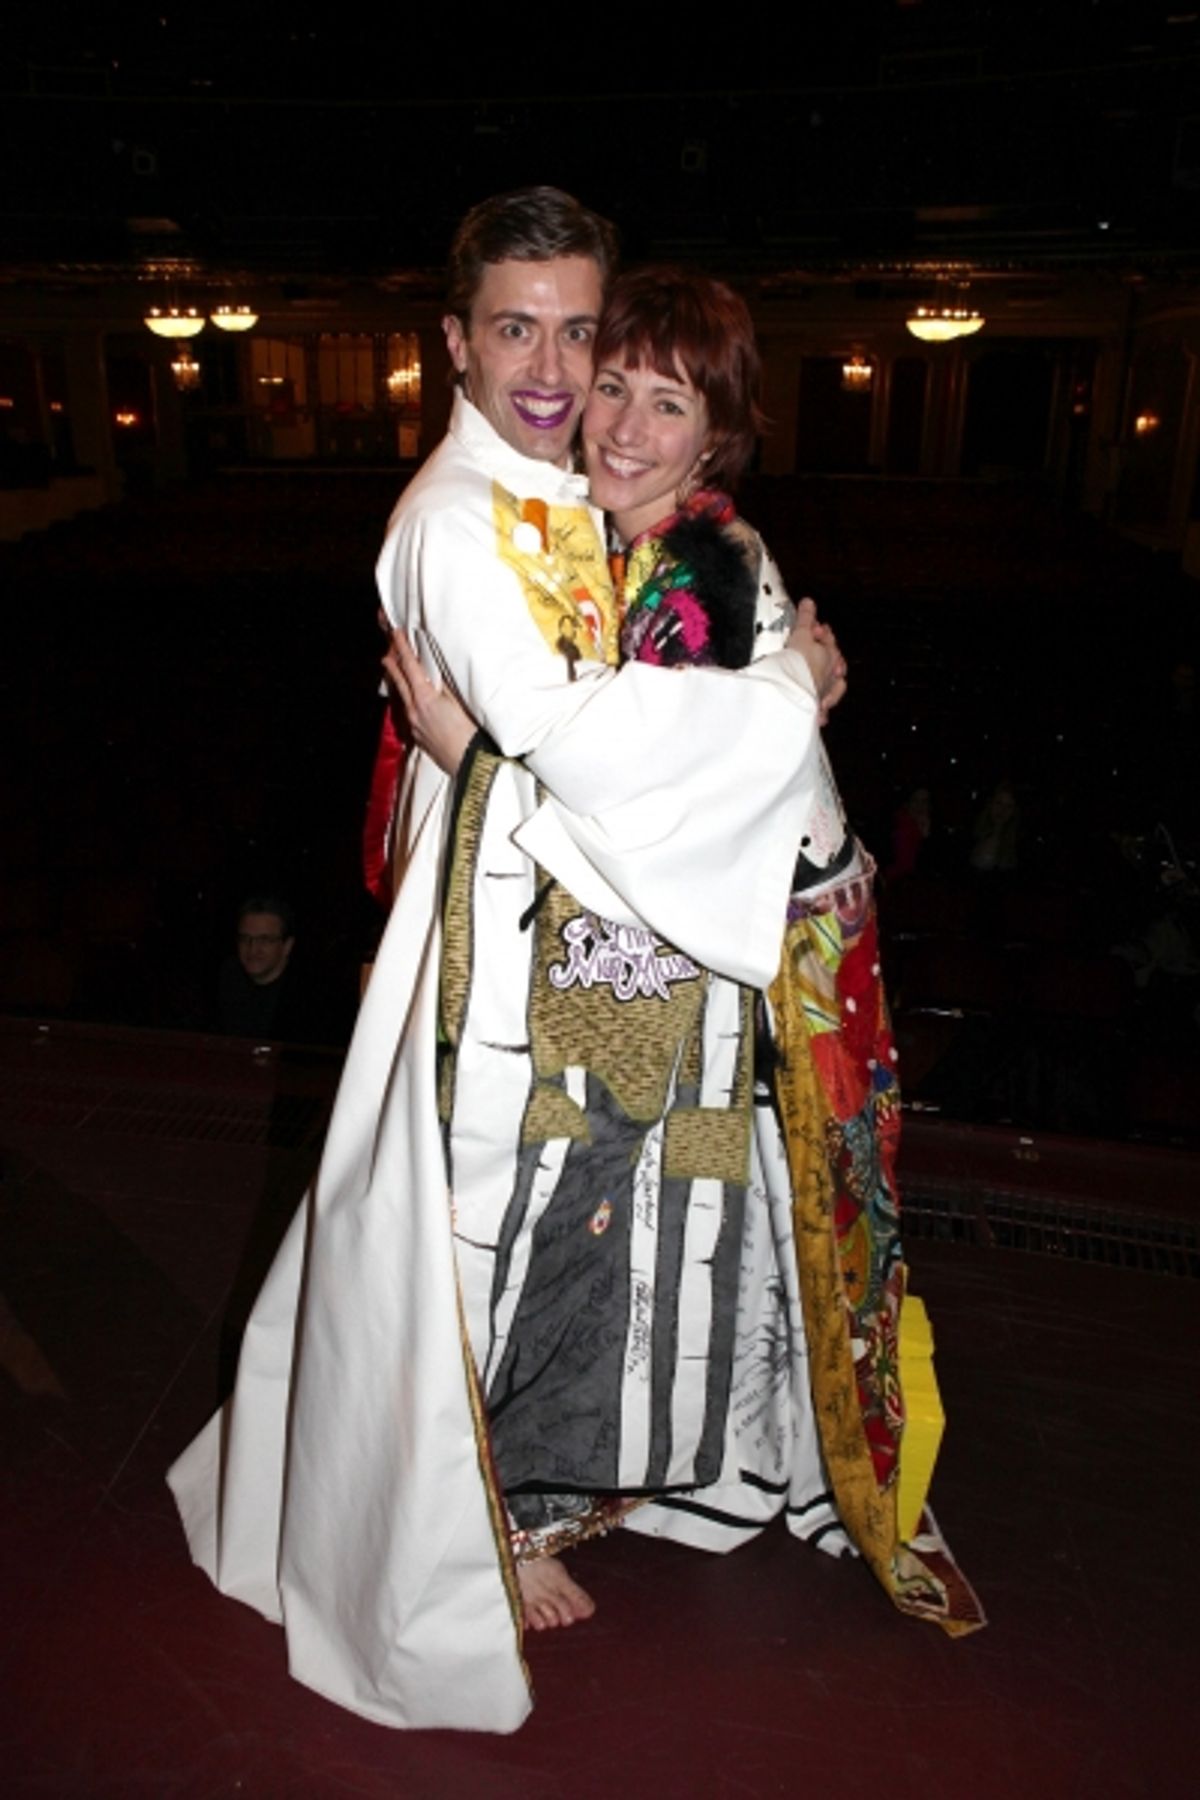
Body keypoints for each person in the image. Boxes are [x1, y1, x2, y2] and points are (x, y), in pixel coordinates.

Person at [166, 189, 878, 1738]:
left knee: (508, 1223)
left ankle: (546, 1473)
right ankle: (457, 1513)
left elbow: (584, 727)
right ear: (452, 342)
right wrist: (785, 700)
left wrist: (752, 685)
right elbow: (580, 741)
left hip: (584, 915)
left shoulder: (571, 493)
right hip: (511, 931)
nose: (565, 375)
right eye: (519, 330)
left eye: (585, 334)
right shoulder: (457, 519)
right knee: (468, 1225)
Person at [388, 264, 984, 1640]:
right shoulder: (619, 544)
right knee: (672, 1199)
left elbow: (651, 804)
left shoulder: (703, 572)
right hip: (712, 935)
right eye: (614, 387)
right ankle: (656, 1471)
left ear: (717, 434)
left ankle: (550, 1495)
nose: (625, 426)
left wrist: (475, 762)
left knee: (636, 1195)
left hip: (752, 938)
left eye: (669, 403)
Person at [216, 896, 297, 1039]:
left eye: (264, 940)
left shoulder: (308, 995)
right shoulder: (226, 979)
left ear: (287, 946)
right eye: (245, 939)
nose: (252, 949)